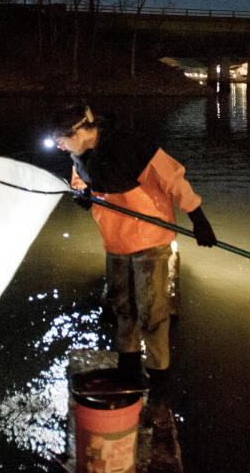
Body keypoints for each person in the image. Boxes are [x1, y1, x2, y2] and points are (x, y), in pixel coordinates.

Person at [48, 103, 217, 386]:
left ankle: (159, 380)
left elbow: (171, 177)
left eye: (60, 141)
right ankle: (127, 370)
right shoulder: (80, 155)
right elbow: (80, 180)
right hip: (114, 241)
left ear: (78, 132)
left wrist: (197, 216)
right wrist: (82, 194)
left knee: (152, 314)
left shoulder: (129, 145)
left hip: (149, 239)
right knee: (122, 309)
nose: (60, 148)